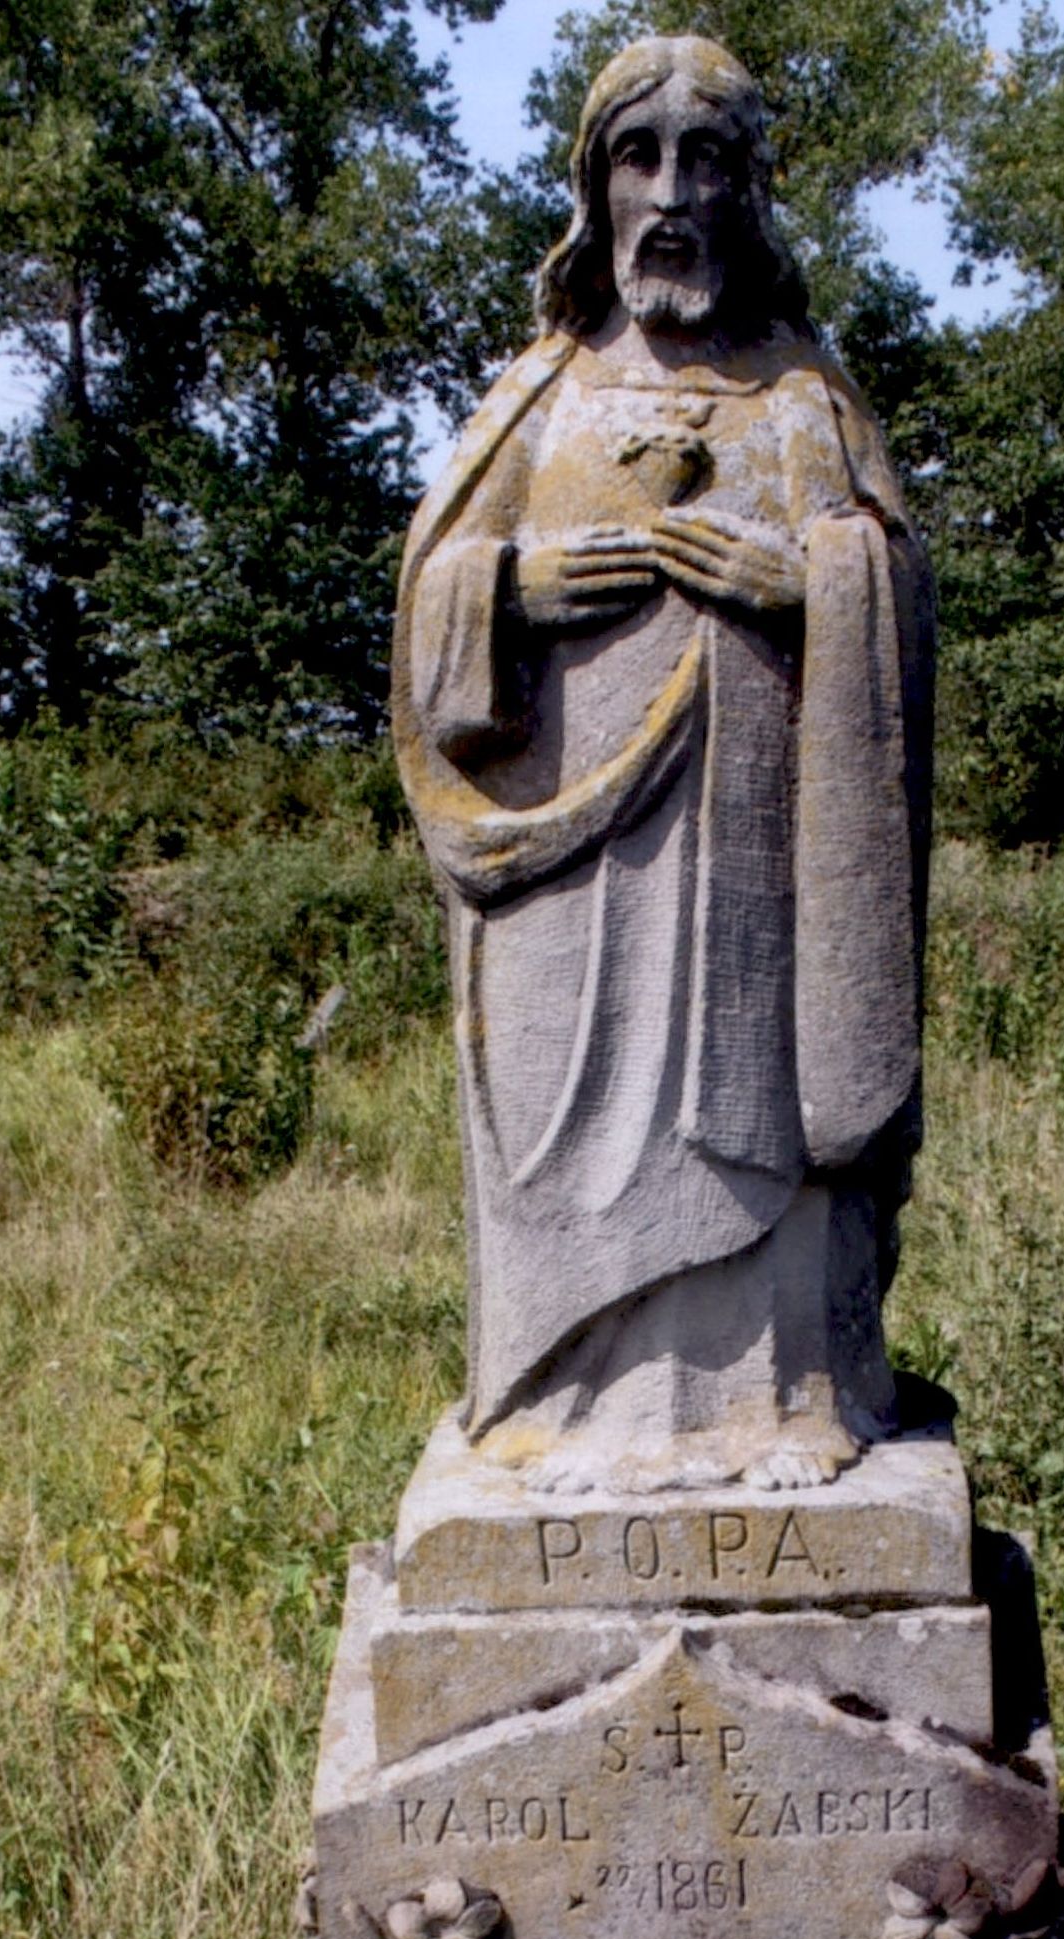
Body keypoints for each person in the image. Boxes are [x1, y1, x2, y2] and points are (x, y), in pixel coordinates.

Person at [392, 34, 934, 1494]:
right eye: (640, 156)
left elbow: (895, 591)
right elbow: (426, 593)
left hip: (757, 876)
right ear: (594, 188)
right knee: (571, 1146)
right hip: (569, 888)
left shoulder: (807, 401)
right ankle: (570, 1412)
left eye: (708, 158)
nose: (673, 191)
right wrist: (512, 590)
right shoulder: (540, 397)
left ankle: (785, 1401)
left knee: (758, 1124)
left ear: (752, 191)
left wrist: (804, 582)